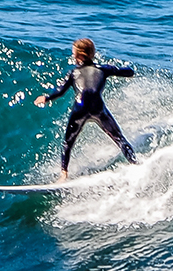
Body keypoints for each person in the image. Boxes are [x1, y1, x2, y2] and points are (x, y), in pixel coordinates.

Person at [34, 38, 138, 179]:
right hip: (98, 108)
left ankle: (64, 174)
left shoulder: (73, 73)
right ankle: (135, 164)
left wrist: (46, 98)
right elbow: (128, 72)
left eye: (74, 54)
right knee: (120, 139)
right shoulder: (103, 69)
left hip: (80, 109)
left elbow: (60, 91)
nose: (73, 57)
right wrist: (126, 70)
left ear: (80, 56)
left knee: (68, 143)